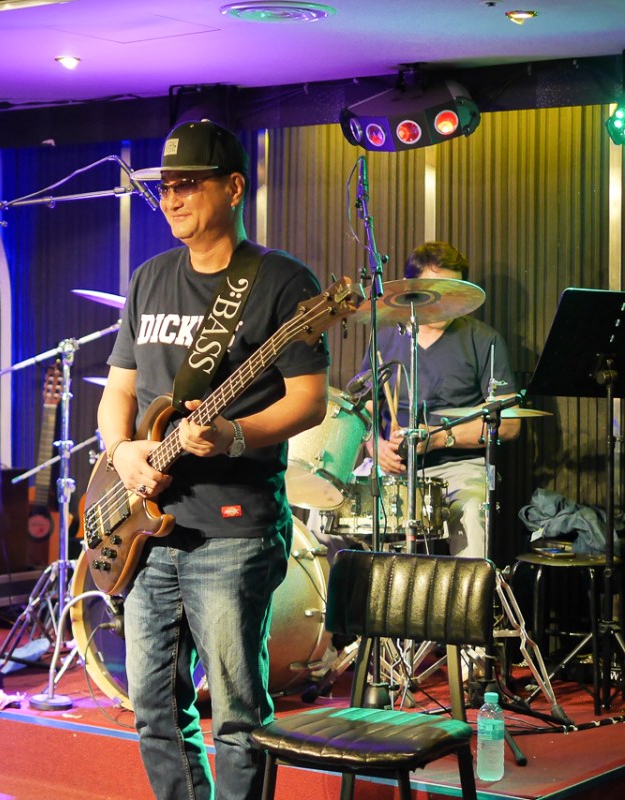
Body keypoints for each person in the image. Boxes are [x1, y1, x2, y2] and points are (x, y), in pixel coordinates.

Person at [98, 120, 330, 800]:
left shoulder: (281, 280)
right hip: (144, 529)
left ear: (233, 187)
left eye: (188, 184)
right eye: (166, 186)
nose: (171, 198)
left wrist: (232, 434)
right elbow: (118, 391)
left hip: (232, 530)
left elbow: (309, 401)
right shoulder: (149, 279)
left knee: (236, 717)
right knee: (154, 712)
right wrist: (122, 451)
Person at [362, 241, 519, 560]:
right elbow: (365, 407)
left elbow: (510, 424)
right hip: (392, 467)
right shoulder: (385, 336)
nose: (445, 301)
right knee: (327, 512)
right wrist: (374, 445)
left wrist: (438, 438)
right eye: (436, 291)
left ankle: (467, 594)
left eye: (453, 291)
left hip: (459, 468)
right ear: (412, 290)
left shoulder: (483, 339)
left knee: (472, 516)